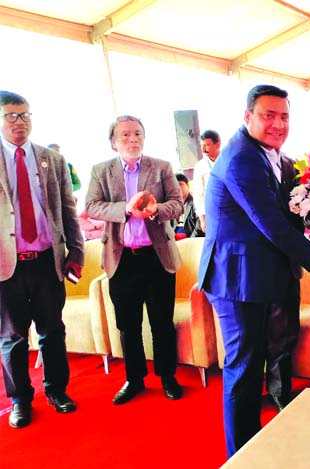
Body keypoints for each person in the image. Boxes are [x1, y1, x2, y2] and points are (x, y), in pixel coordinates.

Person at [197, 84, 310, 458]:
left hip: (267, 274)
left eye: (284, 116)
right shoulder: (241, 158)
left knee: (270, 360)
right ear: (247, 117)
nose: (278, 124)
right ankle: (241, 458)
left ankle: (261, 447)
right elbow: (270, 223)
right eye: (268, 115)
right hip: (235, 279)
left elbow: (291, 214)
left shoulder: (274, 156)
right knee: (243, 369)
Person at [85, 115, 185, 405]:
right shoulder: (100, 171)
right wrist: (126, 210)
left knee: (162, 322)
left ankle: (168, 376)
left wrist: (155, 210)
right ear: (113, 141)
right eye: (126, 135)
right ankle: (135, 379)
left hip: (156, 257)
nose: (133, 139)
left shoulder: (162, 167)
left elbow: (177, 204)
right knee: (127, 324)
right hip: (122, 258)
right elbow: (91, 205)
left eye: (138, 134)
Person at [0, 90, 84, 428]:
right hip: (7, 266)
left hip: (47, 260)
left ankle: (57, 391)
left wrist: (76, 251)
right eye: (11, 116)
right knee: (12, 337)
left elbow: (67, 210)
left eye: (25, 115)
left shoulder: (52, 159)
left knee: (53, 330)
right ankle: (20, 400)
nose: (20, 122)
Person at [193, 129, 221, 234]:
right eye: (201, 145)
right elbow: (198, 194)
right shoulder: (200, 166)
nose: (203, 149)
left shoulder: (229, 160)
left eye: (207, 145)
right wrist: (203, 219)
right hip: (211, 213)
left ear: (217, 144)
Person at [173, 173, 203, 238]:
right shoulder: (172, 205)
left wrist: (190, 241)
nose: (178, 187)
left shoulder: (196, 203)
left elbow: (199, 227)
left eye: (181, 184)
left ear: (188, 186)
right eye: (175, 185)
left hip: (191, 240)